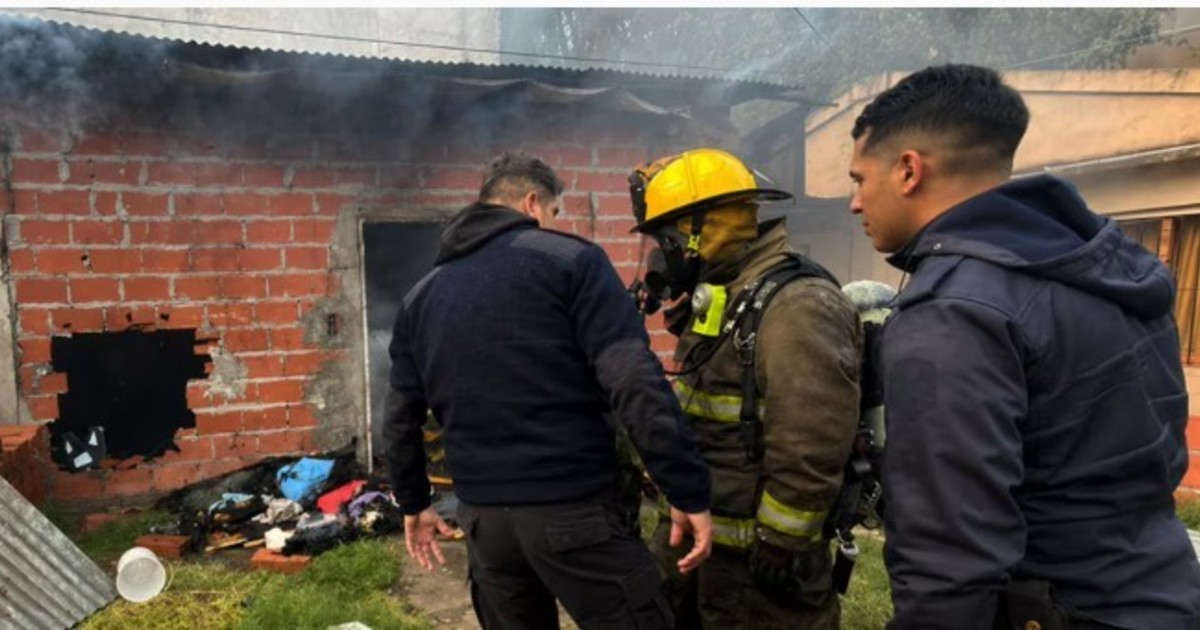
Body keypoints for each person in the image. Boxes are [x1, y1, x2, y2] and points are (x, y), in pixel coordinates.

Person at [847, 63, 1200, 629]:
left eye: (859, 179)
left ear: (909, 170)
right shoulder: (1108, 268)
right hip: (1163, 592)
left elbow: (950, 554)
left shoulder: (955, 311)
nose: (854, 203)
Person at [382, 151, 714, 630]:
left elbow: (400, 417)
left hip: (485, 524)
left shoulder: (421, 296)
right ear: (533, 202)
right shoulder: (573, 262)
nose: (554, 223)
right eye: (555, 211)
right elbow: (632, 379)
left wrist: (413, 502)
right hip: (574, 511)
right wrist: (685, 487)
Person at [628, 148, 863, 628]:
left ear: (704, 231)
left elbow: (811, 442)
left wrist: (781, 542)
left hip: (758, 567)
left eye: (667, 239)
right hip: (700, 541)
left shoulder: (797, 306)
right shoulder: (726, 295)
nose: (662, 253)